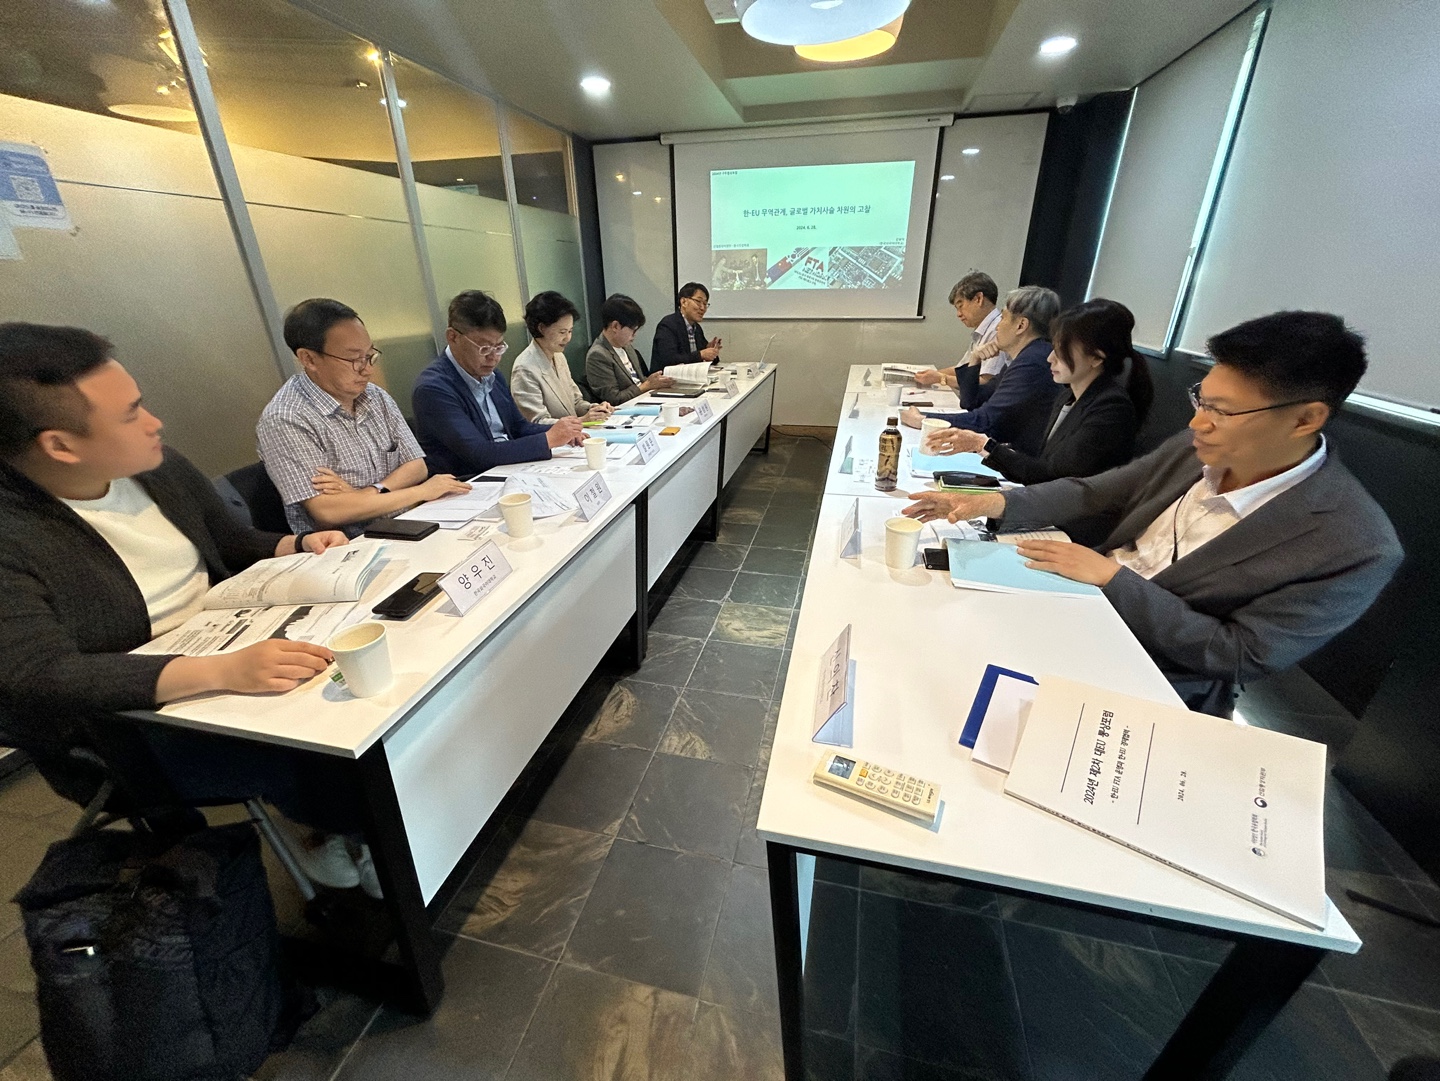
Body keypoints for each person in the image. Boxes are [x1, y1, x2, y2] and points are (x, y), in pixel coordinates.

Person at [0, 323, 382, 895]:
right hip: (130, 724)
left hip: (229, 637)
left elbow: (230, 542)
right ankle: (343, 833)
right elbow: (39, 675)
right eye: (131, 414)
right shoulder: (14, 534)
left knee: (360, 678)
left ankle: (354, 828)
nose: (154, 423)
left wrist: (298, 544)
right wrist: (222, 671)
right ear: (60, 446)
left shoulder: (156, 468)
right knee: (319, 737)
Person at [903, 311, 1402, 716]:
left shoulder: (1352, 543)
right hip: (1075, 604)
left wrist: (1112, 578)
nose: (1197, 423)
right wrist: (992, 502)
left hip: (1148, 673)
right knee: (924, 631)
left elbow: (1237, 654)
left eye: (1222, 411)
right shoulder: (1195, 448)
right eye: (1201, 400)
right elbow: (1093, 492)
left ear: (1305, 418)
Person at [257, 298, 469, 537]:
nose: (367, 369)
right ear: (309, 359)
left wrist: (368, 493)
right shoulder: (286, 418)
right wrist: (420, 492)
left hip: (408, 521)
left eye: (369, 355)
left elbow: (416, 466)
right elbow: (328, 511)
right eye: (354, 359)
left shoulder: (374, 396)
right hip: (350, 543)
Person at [412, 290, 585, 476]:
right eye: (484, 348)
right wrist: (548, 439)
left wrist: (562, 431)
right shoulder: (433, 389)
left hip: (507, 470)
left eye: (499, 347)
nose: (493, 357)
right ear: (453, 337)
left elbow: (519, 427)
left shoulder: (491, 375)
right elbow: (478, 453)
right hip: (469, 481)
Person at [903, 285, 1061, 456]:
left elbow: (985, 421)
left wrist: (924, 420)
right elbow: (972, 402)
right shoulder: (1025, 357)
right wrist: (975, 359)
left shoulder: (1033, 362)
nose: (998, 326)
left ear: (1021, 325)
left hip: (1022, 460)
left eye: (1003, 318)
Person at [511, 291, 614, 424]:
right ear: (542, 328)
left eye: (570, 331)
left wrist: (594, 409)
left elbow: (575, 402)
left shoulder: (558, 356)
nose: (568, 338)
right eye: (562, 332)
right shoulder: (525, 368)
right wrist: (581, 420)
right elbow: (537, 422)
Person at [914, 272, 1008, 390]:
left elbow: (986, 383)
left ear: (978, 299)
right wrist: (929, 374)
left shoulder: (997, 329)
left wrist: (941, 378)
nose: (958, 314)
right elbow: (963, 369)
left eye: (960, 306)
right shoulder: (982, 329)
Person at [586, 294, 676, 404]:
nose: (634, 335)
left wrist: (655, 381)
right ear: (615, 326)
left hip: (644, 400)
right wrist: (647, 385)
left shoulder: (626, 346)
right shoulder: (598, 355)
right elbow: (614, 399)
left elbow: (639, 380)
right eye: (633, 330)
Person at [652, 282, 720, 372]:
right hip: (667, 378)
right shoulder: (668, 325)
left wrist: (711, 351)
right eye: (698, 302)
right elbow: (669, 360)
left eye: (705, 304)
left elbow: (705, 359)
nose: (703, 308)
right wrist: (700, 355)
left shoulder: (696, 328)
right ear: (683, 302)